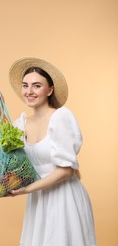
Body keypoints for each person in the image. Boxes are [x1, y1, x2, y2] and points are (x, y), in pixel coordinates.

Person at [8, 57, 97, 246]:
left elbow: (67, 170)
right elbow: (13, 160)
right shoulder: (20, 124)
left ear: (50, 90)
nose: (29, 91)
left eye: (36, 86)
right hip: (39, 200)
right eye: (25, 86)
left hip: (64, 198)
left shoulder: (61, 117)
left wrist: (27, 189)